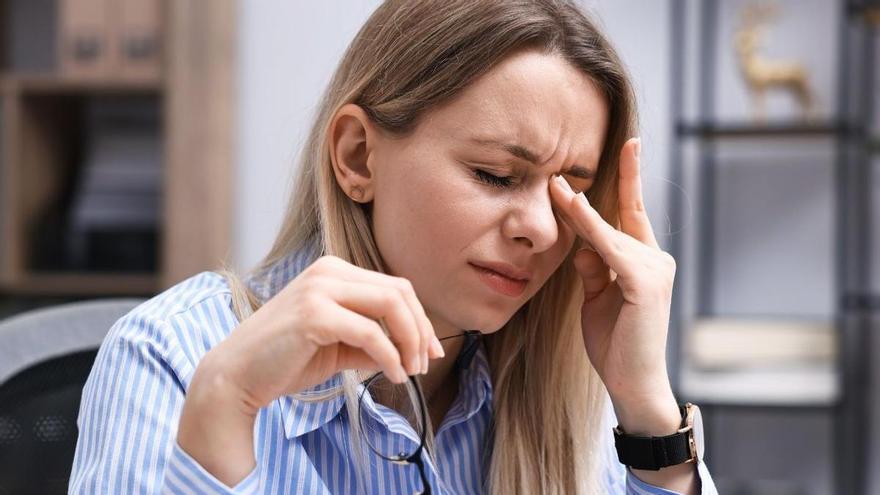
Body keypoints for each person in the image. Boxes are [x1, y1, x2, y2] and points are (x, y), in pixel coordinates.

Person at [69, 1, 719, 493]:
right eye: (495, 174)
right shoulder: (174, 357)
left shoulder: (571, 389)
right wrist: (221, 413)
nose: (544, 231)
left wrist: (647, 412)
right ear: (358, 156)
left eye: (569, 191)